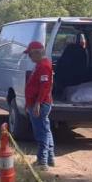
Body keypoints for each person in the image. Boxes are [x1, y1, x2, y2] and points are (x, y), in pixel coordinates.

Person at [24, 41, 55, 169]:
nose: (29, 57)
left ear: (37, 53)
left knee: (41, 132)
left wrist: (37, 103)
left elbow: (45, 87)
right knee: (45, 130)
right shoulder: (40, 65)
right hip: (37, 103)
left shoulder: (43, 66)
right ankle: (49, 158)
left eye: (30, 54)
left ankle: (42, 161)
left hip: (40, 104)